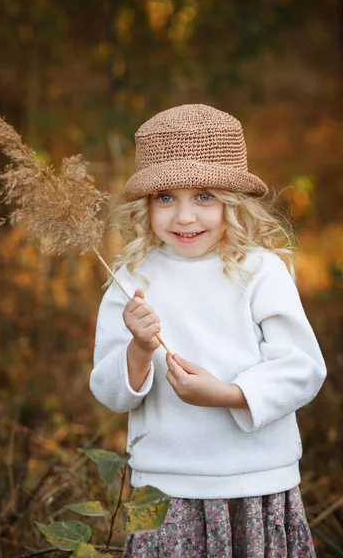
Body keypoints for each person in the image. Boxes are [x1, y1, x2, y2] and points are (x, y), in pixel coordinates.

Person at [90, 104, 326, 557]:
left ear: (231, 201)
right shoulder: (131, 278)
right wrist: (139, 349)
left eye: (203, 197)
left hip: (254, 478)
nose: (183, 217)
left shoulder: (260, 270)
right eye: (165, 198)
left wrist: (229, 394)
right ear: (145, 205)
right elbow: (110, 393)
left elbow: (303, 368)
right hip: (161, 485)